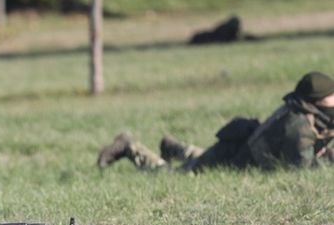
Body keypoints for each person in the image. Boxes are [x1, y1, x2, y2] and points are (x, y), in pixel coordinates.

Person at [97, 71, 334, 172]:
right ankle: (129, 146)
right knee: (174, 175)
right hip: (233, 160)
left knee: (201, 161)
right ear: (317, 100)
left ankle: (174, 148)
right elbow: (299, 168)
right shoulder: (299, 127)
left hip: (236, 150)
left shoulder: (302, 111)